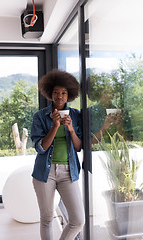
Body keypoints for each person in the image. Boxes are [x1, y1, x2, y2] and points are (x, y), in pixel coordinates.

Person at [30, 69, 84, 240]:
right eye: (56, 92)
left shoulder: (75, 115)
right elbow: (41, 148)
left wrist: (70, 129)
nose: (59, 96)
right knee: (46, 219)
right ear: (50, 93)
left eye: (63, 92)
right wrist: (54, 126)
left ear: (69, 95)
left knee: (78, 220)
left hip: (69, 172)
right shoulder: (40, 116)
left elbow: (78, 147)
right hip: (45, 173)